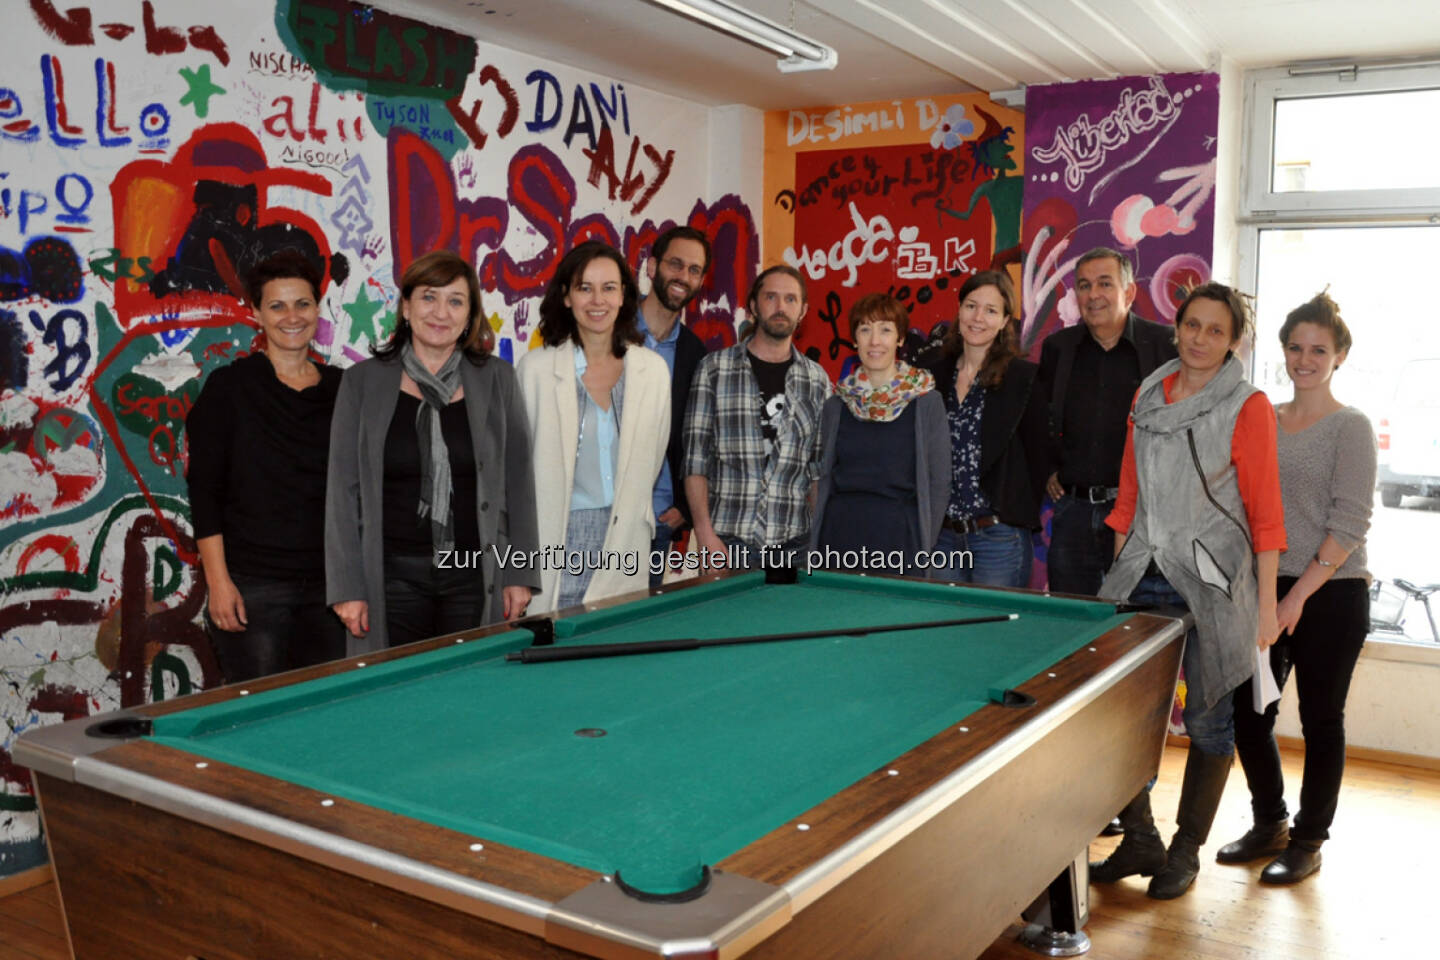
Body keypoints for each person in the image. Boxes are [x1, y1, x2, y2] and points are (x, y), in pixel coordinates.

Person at [1091, 282, 1286, 900]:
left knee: (1208, 723)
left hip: (1214, 581)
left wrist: (1266, 606)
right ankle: (1141, 837)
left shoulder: (1247, 405)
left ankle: (1185, 851)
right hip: (1142, 573)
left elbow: (1266, 515)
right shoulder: (1149, 392)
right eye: (1192, 325)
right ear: (1176, 327)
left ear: (1234, 341)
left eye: (1216, 330)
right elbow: (1128, 498)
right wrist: (1115, 579)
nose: (1200, 339)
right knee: (1120, 720)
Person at [1217, 291, 1376, 884]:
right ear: (1282, 352)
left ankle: (1308, 840)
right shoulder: (1263, 415)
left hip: (1331, 590)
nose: (1304, 359)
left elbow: (1350, 524)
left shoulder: (1351, 426)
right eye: (1294, 347)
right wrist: (1265, 595)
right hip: (1265, 583)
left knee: (1321, 719)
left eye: (1318, 350)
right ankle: (1270, 823)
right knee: (1250, 713)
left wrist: (1293, 599)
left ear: (1339, 356)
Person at [326, 251, 539, 651]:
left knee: (471, 690)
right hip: (389, 577)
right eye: (428, 297)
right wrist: (347, 587)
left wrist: (520, 574)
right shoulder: (361, 383)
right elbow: (342, 491)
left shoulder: (497, 379)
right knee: (396, 693)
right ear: (406, 307)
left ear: (469, 314)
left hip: (474, 575)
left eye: (455, 301)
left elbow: (518, 482)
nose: (441, 312)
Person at [186, 251, 346, 682]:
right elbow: (204, 491)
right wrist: (219, 584)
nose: (291, 316)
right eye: (277, 305)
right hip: (254, 587)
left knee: (326, 713)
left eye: (303, 304)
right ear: (256, 313)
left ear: (318, 308)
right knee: (259, 715)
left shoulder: (343, 390)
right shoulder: (229, 389)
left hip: (331, 590)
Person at [517, 241, 670, 612]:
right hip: (556, 536)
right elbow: (519, 470)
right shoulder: (535, 370)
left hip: (624, 539)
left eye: (609, 288)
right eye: (584, 288)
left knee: (615, 653)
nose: (597, 300)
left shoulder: (652, 371)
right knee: (551, 656)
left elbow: (650, 461)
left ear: (623, 297)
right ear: (567, 297)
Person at [1037, 248, 1177, 595]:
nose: (1093, 295)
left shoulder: (1164, 346)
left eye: (1104, 283)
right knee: (1071, 623)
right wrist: (1050, 468)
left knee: (1135, 625)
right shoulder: (1059, 347)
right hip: (1074, 514)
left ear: (1128, 292)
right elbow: (1041, 416)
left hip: (1141, 516)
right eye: (1084, 286)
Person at [684, 265, 831, 569]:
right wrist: (704, 534)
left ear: (803, 310)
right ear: (753, 305)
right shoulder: (714, 369)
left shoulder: (816, 380)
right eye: (771, 297)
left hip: (794, 543)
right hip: (726, 540)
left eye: (790, 300)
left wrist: (818, 542)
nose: (780, 307)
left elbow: (817, 468)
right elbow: (695, 460)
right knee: (726, 619)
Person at [925, 270, 1047, 586]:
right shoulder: (931, 377)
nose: (978, 317)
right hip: (942, 537)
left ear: (1006, 320)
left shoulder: (1023, 379)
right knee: (942, 631)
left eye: (991, 310)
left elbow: (1039, 457)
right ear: (959, 309)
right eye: (971, 305)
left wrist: (1009, 513)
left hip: (999, 538)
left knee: (993, 633)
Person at [811, 294, 948, 573]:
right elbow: (822, 477)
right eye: (865, 329)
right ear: (854, 340)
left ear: (899, 340)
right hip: (838, 539)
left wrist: (924, 546)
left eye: (885, 329)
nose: (875, 341)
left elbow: (939, 482)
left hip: (901, 540)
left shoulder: (926, 401)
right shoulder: (836, 404)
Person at [635, 226, 710, 585]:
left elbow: (698, 438)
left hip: (657, 523)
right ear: (652, 268)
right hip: (595, 517)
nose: (684, 277)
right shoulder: (608, 333)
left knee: (635, 635)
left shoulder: (698, 356)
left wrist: (683, 506)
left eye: (694, 270)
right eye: (676, 264)